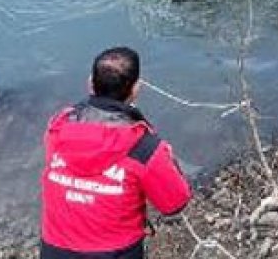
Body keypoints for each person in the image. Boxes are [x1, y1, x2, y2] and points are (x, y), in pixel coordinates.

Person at [41, 47, 191, 259]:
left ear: (90, 83)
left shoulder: (57, 127)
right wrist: (167, 157)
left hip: (54, 249)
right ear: (136, 89)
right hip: (115, 252)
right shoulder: (144, 148)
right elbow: (174, 203)